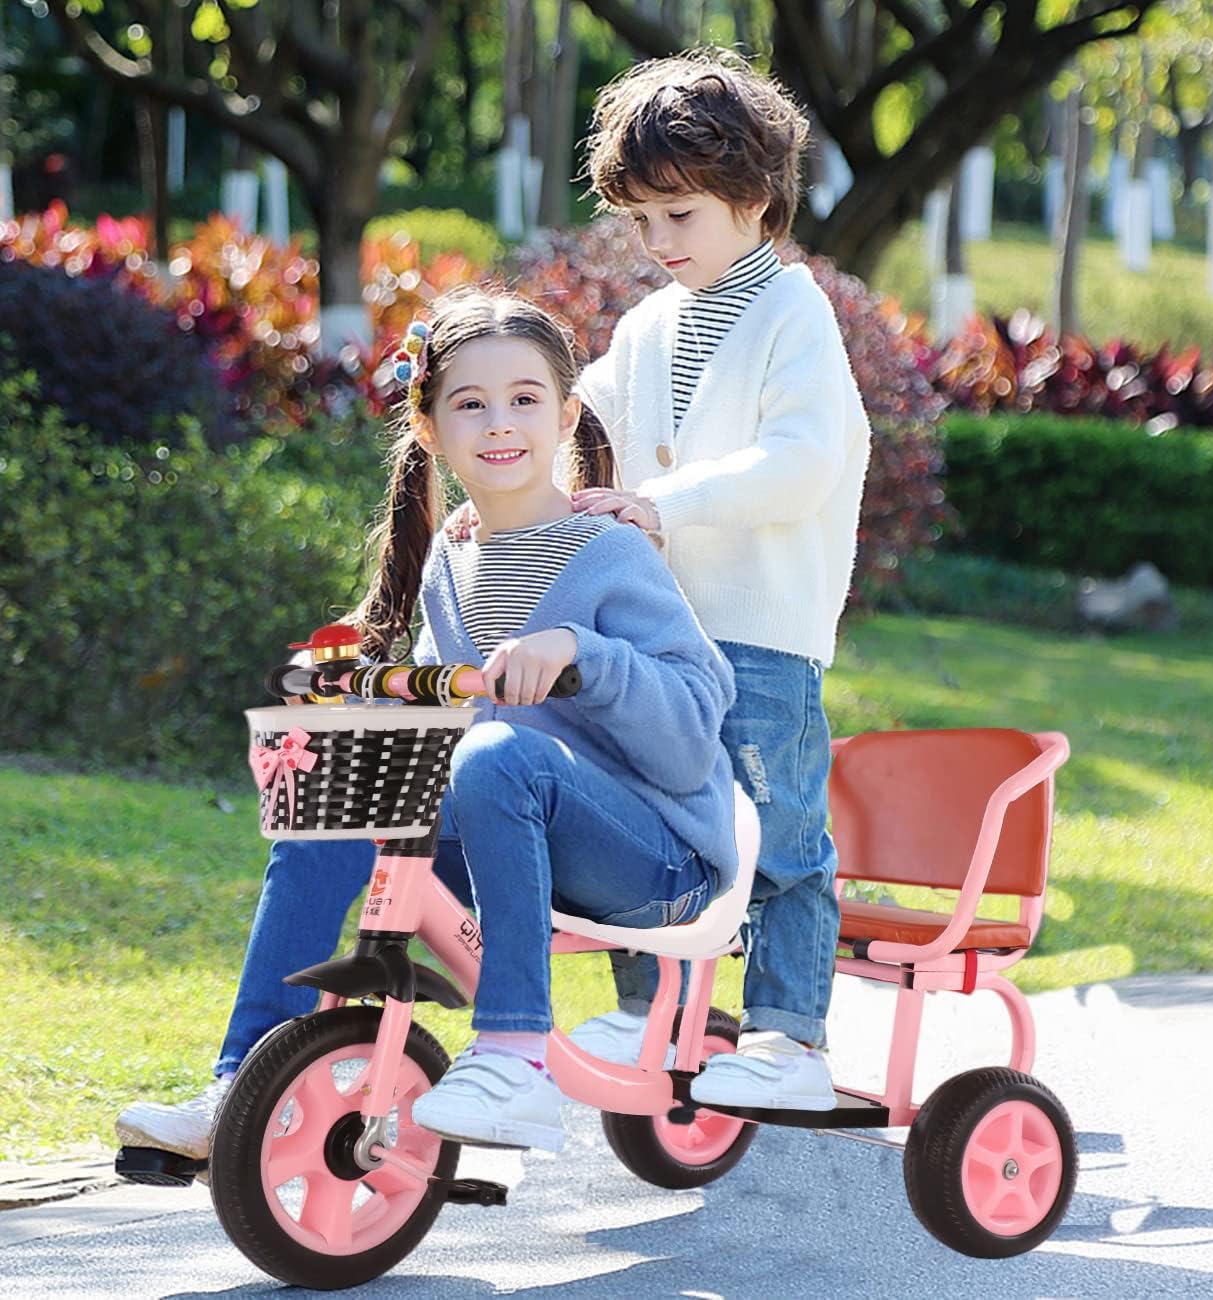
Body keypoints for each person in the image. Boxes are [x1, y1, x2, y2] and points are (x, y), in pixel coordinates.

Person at [117, 288, 739, 1156]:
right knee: (340, 792)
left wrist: (580, 652)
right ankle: (245, 1083)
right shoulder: (456, 557)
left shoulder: (611, 553)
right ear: (431, 427)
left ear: (565, 417)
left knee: (496, 756)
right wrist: (355, 696)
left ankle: (515, 1055)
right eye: (470, 403)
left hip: (655, 856)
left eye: (524, 399)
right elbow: (444, 716)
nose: (499, 424)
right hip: (514, 830)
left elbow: (689, 736)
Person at [558, 49, 871, 1111]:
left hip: (760, 632)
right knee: (651, 824)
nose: (656, 245)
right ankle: (655, 1007)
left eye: (678, 216)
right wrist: (514, 487)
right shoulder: (647, 326)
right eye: (639, 222)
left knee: (777, 832)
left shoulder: (793, 316)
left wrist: (665, 503)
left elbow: (800, 463)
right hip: (659, 638)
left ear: (753, 196)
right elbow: (582, 426)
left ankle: (788, 1036)